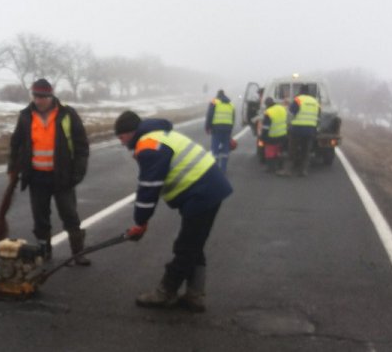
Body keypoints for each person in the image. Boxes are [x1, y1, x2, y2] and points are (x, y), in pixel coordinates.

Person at [115, 110, 233, 312]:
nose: (121, 142)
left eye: (121, 136)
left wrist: (140, 222)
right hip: (208, 189)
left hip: (202, 192)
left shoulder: (149, 145)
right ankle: (195, 296)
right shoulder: (159, 136)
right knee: (194, 244)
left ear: (132, 132)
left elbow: (149, 187)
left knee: (185, 247)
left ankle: (165, 293)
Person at [8, 78, 91, 265]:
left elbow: (81, 147)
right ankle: (45, 252)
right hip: (37, 177)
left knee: (70, 216)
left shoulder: (67, 114)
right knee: (40, 219)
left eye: (43, 96)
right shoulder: (25, 116)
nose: (39, 100)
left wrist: (77, 174)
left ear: (51, 95)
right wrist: (13, 168)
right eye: (36, 96)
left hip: (63, 177)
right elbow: (16, 144)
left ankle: (78, 253)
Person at [281, 84, 320, 177]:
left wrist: (287, 124)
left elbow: (291, 114)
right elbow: (318, 117)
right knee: (306, 151)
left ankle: (288, 171)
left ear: (300, 91)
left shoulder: (298, 100)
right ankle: (303, 171)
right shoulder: (315, 102)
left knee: (292, 150)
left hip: (297, 129)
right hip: (310, 130)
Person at [205, 89, 235, 174]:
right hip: (227, 128)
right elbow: (233, 117)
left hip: (216, 128)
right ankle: (223, 169)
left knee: (215, 148)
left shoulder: (214, 101)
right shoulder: (230, 104)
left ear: (217, 94)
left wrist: (207, 127)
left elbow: (210, 114)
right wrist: (230, 128)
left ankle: (215, 169)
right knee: (226, 148)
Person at [260, 97, 288, 173]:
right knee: (280, 151)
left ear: (267, 104)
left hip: (272, 136)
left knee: (270, 152)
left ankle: (271, 168)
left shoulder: (268, 112)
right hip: (283, 134)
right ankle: (280, 167)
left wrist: (263, 136)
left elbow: (266, 127)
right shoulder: (282, 108)